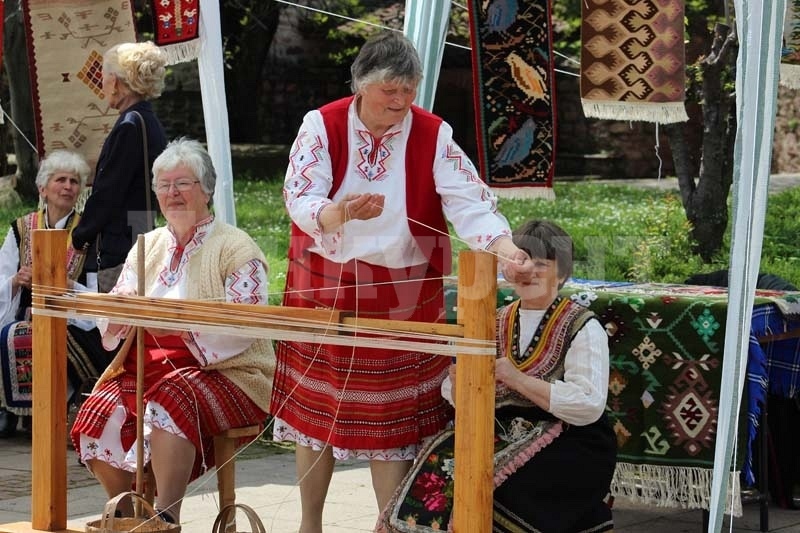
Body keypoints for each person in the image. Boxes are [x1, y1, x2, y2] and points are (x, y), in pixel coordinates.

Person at [270, 31, 533, 533]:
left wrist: (505, 248)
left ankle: (388, 526)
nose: (400, 101)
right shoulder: (321, 125)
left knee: (388, 423)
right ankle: (309, 524)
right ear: (360, 86)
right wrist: (337, 213)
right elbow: (300, 194)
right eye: (389, 90)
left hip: (404, 291)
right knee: (315, 415)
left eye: (408, 90)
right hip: (323, 283)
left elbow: (468, 200)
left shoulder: (433, 133)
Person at [70, 138, 275, 524]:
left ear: (207, 190)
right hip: (145, 369)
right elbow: (118, 307)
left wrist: (178, 325)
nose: (172, 193)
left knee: (169, 398)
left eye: (183, 184)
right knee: (96, 412)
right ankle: (129, 515)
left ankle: (165, 517)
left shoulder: (236, 248)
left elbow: (246, 325)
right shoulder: (148, 245)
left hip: (228, 373)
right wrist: (118, 311)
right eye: (163, 185)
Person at [379, 219, 616, 533]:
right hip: (498, 431)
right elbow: (456, 394)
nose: (528, 270)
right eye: (520, 260)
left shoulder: (583, 327)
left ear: (561, 274)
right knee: (438, 472)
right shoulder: (493, 320)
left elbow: (587, 405)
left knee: (500, 489)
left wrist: (516, 379)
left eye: (541, 264)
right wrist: (461, 382)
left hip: (570, 438)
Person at [0, 150, 112, 438]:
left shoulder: (88, 232)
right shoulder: (21, 229)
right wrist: (15, 280)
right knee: (15, 332)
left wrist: (71, 289)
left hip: (72, 319)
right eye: (60, 180)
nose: (67, 187)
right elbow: (2, 276)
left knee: (48, 333)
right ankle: (10, 411)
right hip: (23, 313)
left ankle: (57, 411)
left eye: (74, 181)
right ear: (42, 188)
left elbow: (97, 293)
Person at [71, 41, 168, 291]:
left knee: (117, 323)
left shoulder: (129, 125)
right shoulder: (148, 120)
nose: (101, 83)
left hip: (121, 241)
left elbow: (109, 191)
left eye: (103, 76)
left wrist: (80, 235)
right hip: (140, 227)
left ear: (114, 81)